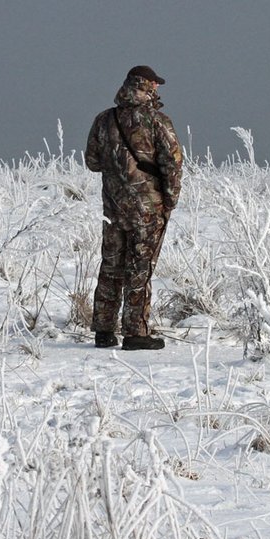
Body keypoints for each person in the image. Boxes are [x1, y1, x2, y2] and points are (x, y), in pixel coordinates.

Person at [84, 65, 184, 350]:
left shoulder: (104, 120)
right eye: (156, 85)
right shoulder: (157, 121)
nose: (159, 90)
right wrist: (169, 201)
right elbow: (173, 165)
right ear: (148, 86)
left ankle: (103, 330)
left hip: (113, 207)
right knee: (140, 267)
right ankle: (135, 332)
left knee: (112, 265)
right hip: (148, 208)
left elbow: (92, 162)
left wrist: (118, 172)